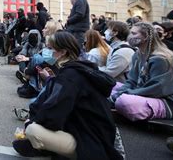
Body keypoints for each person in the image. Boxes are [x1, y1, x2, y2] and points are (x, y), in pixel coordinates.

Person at [12, 31, 121, 159]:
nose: (46, 51)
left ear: (63, 52)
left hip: (90, 140)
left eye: (50, 48)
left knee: (33, 130)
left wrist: (31, 122)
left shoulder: (70, 76)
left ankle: (48, 148)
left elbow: (54, 113)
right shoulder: (78, 68)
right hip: (93, 132)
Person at [110, 22, 173, 121]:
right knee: (110, 85)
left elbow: (156, 89)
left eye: (134, 33)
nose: (129, 36)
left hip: (166, 101)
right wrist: (120, 92)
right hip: (142, 92)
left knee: (124, 101)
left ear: (145, 37)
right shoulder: (137, 54)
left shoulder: (161, 59)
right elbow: (132, 81)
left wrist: (125, 94)